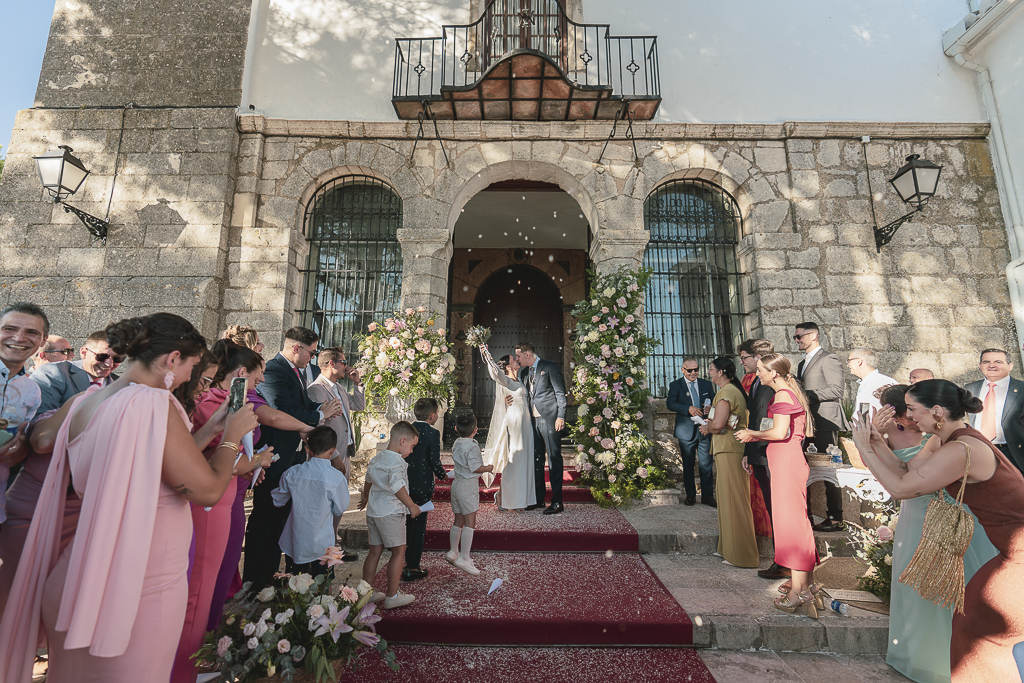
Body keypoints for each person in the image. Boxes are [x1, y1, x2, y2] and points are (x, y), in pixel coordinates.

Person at [0, 312, 258, 683]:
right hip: (138, 584)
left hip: (80, 573)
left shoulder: (89, 399)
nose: (190, 378)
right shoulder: (154, 404)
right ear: (172, 359)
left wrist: (212, 429)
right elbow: (207, 490)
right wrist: (232, 436)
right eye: (192, 367)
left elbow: (156, 465)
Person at [852, 379, 1024, 682]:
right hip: (1008, 551)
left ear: (936, 411)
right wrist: (876, 443)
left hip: (1018, 553)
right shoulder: (950, 440)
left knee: (978, 630)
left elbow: (902, 489)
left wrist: (864, 446)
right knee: (972, 625)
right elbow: (909, 472)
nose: (908, 416)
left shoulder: (962, 448)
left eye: (912, 409)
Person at [169, 340, 273, 683]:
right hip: (209, 501)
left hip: (225, 498)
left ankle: (201, 650)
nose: (260, 384)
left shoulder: (223, 402)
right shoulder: (210, 403)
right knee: (200, 585)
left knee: (215, 580)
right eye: (256, 378)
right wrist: (256, 461)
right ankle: (187, 664)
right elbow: (212, 458)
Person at [243, 326, 342, 590]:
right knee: (265, 518)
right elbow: (281, 409)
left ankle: (274, 573)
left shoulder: (298, 371)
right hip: (275, 455)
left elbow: (302, 405)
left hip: (293, 454)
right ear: (296, 347)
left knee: (281, 518)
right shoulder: (275, 370)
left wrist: (319, 409)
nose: (313, 358)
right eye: (311, 352)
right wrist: (319, 416)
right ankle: (256, 579)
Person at [735, 353, 820, 617]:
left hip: (787, 465)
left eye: (761, 369)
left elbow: (780, 432)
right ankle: (806, 586)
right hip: (786, 463)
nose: (757, 373)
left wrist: (751, 434)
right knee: (793, 524)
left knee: (792, 527)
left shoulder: (783, 395)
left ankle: (799, 591)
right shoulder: (787, 393)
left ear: (774, 373)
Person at [699, 357, 756, 568]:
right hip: (729, 449)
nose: (710, 373)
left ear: (721, 372)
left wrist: (707, 427)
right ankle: (728, 548)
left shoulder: (727, 392)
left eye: (711, 369)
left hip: (730, 450)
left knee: (734, 501)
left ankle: (741, 555)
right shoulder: (730, 391)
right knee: (726, 500)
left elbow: (718, 424)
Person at [357, 421, 420, 610]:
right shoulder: (397, 461)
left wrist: (366, 497)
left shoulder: (377, 458)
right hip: (391, 512)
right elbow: (396, 485)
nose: (411, 451)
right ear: (402, 441)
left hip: (374, 512)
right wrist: (411, 505)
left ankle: (366, 593)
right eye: (412, 446)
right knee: (399, 551)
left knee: (374, 552)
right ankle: (392, 595)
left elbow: (368, 479)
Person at [272, 426, 349, 577]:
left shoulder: (291, 473)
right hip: (324, 543)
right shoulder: (336, 477)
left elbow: (278, 500)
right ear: (333, 451)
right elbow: (340, 508)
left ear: (307, 449)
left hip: (296, 541)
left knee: (296, 581)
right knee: (325, 582)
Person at [794, 322, 849, 532]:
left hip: (825, 421)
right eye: (795, 337)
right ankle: (806, 515)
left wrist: (804, 396)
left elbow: (836, 390)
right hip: (808, 422)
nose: (797, 340)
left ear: (813, 335)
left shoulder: (829, 358)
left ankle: (835, 517)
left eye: (799, 336)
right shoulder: (802, 363)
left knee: (829, 470)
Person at [480, 345, 536, 511]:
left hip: (526, 425)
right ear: (507, 366)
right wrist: (487, 355)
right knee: (514, 460)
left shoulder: (520, 380)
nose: (516, 360)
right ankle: (504, 496)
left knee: (524, 460)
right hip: (514, 423)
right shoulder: (506, 381)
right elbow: (495, 373)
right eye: (513, 359)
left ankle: (520, 500)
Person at [515, 341, 566, 514]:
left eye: (519, 356)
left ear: (527, 354)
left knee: (553, 459)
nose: (517, 359)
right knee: (536, 460)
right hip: (532, 422)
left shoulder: (549, 366)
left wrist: (561, 416)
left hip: (550, 420)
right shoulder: (524, 373)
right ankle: (538, 499)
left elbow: (560, 392)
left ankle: (557, 501)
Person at [403, 398, 446, 582]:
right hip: (422, 486)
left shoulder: (406, 429)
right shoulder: (432, 433)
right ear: (433, 415)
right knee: (418, 527)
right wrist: (443, 475)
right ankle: (412, 566)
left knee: (406, 524)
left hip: (404, 484)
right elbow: (434, 460)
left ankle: (404, 561)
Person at [446, 413, 493, 576]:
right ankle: (464, 557)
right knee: (470, 522)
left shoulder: (457, 442)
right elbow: (475, 468)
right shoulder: (472, 446)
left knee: (458, 520)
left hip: (457, 484)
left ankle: (453, 551)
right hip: (468, 486)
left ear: (456, 428)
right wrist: (488, 468)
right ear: (475, 430)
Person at [31, 330, 123, 412]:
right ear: (84, 353)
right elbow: (40, 420)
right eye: (101, 357)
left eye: (117, 358)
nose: (109, 364)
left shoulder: (121, 386)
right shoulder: (52, 374)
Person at [737, 339, 774, 546]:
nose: (741, 362)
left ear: (758, 357)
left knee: (775, 503)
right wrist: (748, 451)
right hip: (757, 450)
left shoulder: (777, 383)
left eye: (744, 357)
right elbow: (752, 419)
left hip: (771, 450)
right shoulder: (754, 382)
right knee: (768, 500)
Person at [307, 346, 365, 476]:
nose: (346, 366)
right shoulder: (316, 389)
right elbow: (318, 427)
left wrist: (357, 383)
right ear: (331, 364)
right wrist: (334, 456)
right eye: (343, 362)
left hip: (345, 451)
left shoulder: (339, 388)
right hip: (329, 456)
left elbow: (359, 406)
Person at [965, 348, 1024, 474]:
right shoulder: (970, 389)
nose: (991, 365)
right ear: (980, 365)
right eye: (986, 362)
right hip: (979, 451)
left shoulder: (1022, 389)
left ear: (1010, 366)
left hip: (1014, 453)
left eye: (998, 362)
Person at [667, 358, 716, 507]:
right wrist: (688, 408)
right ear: (683, 370)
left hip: (705, 429)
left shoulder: (706, 384)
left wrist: (711, 408)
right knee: (688, 465)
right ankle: (690, 496)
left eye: (696, 369)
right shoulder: (675, 385)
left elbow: (714, 401)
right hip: (686, 431)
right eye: (690, 370)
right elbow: (671, 404)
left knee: (706, 465)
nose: (693, 373)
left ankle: (707, 496)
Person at [847, 347, 896, 412]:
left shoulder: (883, 382)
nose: (848, 365)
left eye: (849, 361)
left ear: (859, 361)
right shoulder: (865, 382)